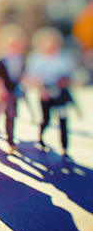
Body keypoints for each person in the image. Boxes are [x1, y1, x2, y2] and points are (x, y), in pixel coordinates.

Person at [26, 27, 78, 155]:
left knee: (63, 118)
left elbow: (69, 74)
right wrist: (41, 90)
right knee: (46, 118)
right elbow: (32, 77)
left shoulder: (63, 56)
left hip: (60, 92)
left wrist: (63, 82)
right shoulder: (36, 58)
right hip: (45, 92)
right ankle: (41, 137)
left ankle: (64, 146)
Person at [0, 25, 27, 154]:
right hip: (6, 91)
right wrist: (0, 90)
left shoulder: (20, 59)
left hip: (16, 90)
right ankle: (9, 140)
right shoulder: (2, 60)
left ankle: (10, 136)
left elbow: (22, 75)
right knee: (9, 114)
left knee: (13, 114)